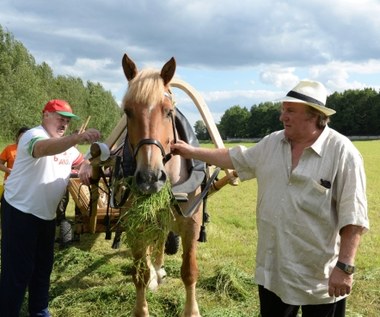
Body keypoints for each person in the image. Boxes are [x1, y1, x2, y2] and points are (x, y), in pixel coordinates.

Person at [170, 80, 369, 317]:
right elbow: (234, 158)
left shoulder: (343, 153)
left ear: (314, 116)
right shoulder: (272, 143)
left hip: (319, 278)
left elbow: (353, 217)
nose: (282, 116)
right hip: (273, 272)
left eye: (290, 111)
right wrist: (190, 151)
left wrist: (344, 268)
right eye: (283, 109)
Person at [0, 99, 100, 317]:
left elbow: (81, 161)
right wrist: (77, 137)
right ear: (45, 116)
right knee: (17, 271)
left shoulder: (68, 148)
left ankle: (39, 310)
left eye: (67, 121)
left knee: (43, 268)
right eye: (60, 118)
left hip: (46, 216)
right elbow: (43, 149)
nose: (64, 124)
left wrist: (86, 164)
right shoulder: (33, 136)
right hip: (20, 212)